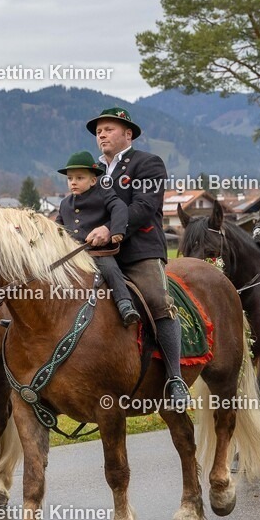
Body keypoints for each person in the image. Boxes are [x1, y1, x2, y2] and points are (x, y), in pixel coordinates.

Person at [84, 107, 190, 408]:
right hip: (97, 252)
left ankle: (175, 377)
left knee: (158, 301)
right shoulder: (93, 170)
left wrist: (109, 228)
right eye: (98, 131)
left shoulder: (148, 164)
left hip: (139, 250)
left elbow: (144, 206)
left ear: (128, 134)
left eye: (108, 129)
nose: (101, 134)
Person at [54, 150, 139, 326]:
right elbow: (58, 229)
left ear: (93, 180)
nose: (73, 182)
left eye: (79, 178)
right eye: (70, 179)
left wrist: (116, 231)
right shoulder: (64, 204)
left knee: (110, 269)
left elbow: (119, 208)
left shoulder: (103, 194)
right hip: (71, 254)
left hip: (98, 252)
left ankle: (124, 304)